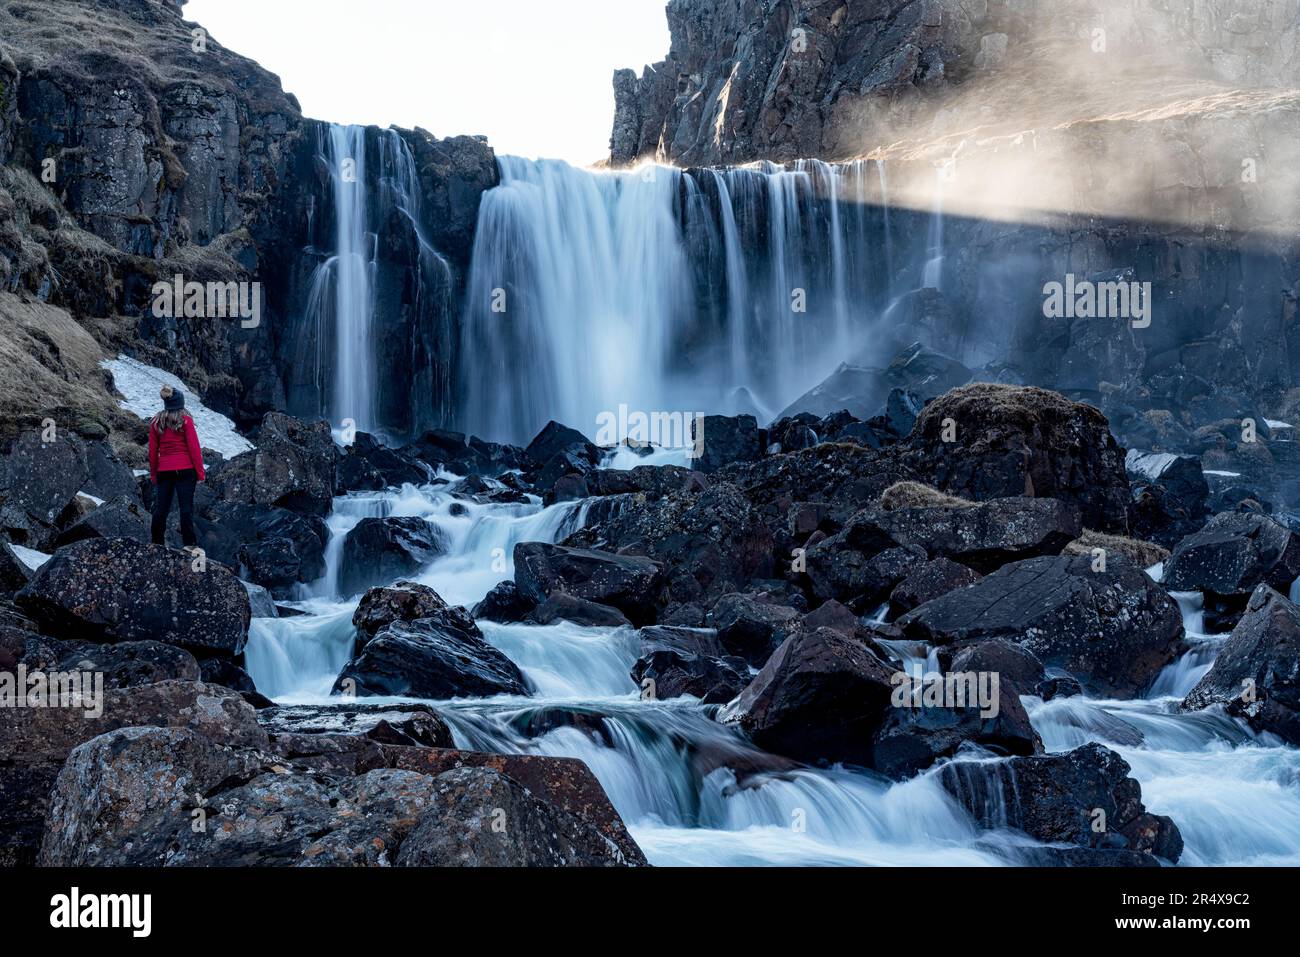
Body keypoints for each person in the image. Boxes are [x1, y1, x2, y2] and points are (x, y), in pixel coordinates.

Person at [148, 385, 206, 547]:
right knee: (186, 509)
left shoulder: (156, 422)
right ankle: (189, 545)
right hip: (186, 470)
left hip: (164, 471)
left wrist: (154, 475)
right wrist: (200, 473)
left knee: (161, 509)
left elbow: (152, 452)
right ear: (180, 403)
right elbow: (194, 448)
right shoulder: (186, 420)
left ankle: (156, 544)